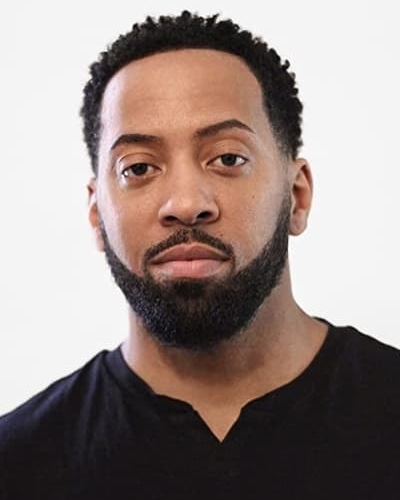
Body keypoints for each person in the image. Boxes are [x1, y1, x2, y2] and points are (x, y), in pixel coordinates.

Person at [0, 10, 399, 500]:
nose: (186, 204)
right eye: (138, 168)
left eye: (228, 158)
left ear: (296, 196)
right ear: (97, 214)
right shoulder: (17, 464)